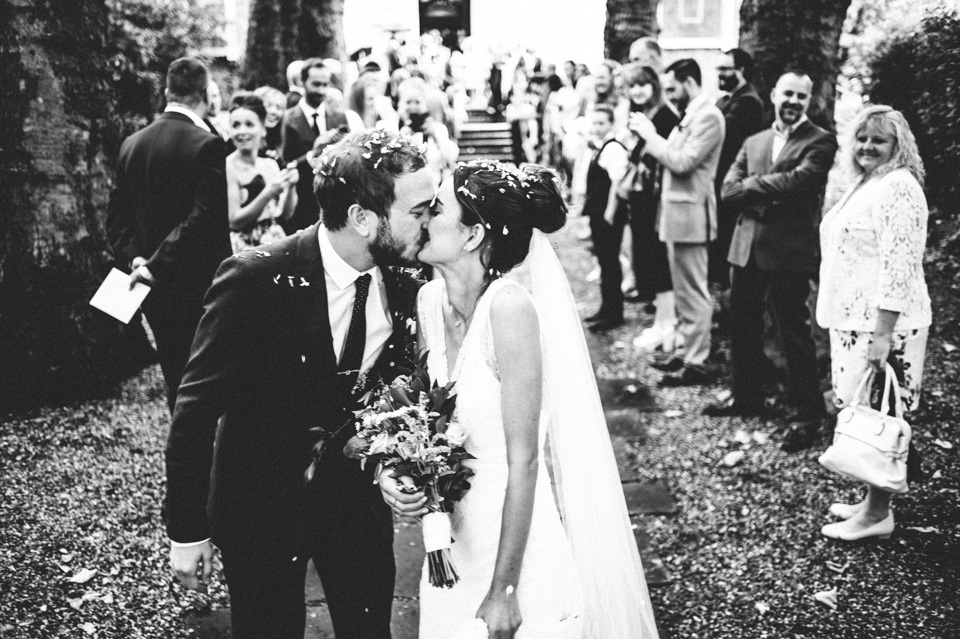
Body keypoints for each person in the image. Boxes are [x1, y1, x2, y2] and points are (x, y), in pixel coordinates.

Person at [165, 130, 436, 639]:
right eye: (420, 210)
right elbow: (195, 410)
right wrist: (186, 531)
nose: (431, 220)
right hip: (259, 505)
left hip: (356, 507)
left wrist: (394, 459)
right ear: (362, 218)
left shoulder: (407, 283)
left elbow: (391, 389)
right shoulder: (253, 280)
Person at [381, 160, 659, 639]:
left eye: (437, 207)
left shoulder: (508, 310)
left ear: (472, 236)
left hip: (513, 544)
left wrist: (504, 588)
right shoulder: (428, 301)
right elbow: (424, 415)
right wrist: (401, 471)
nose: (423, 216)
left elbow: (525, 461)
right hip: (451, 542)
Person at [706, 69, 838, 453]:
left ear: (809, 100)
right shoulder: (754, 140)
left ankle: (806, 414)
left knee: (792, 333)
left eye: (801, 95)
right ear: (774, 95)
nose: (793, 101)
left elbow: (802, 183)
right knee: (742, 324)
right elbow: (727, 190)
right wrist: (763, 188)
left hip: (788, 252)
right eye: (788, 94)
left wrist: (752, 186)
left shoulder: (822, 141)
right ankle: (746, 396)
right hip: (745, 246)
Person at [817, 105, 931, 540]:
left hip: (883, 327)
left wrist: (882, 334)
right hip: (854, 322)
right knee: (864, 413)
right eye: (861, 138)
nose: (867, 146)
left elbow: (900, 266)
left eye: (878, 140)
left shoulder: (898, 187)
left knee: (880, 415)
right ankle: (871, 501)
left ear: (897, 146)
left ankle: (878, 514)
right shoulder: (869, 181)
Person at [105, 57, 229, 414]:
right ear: (207, 94)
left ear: (165, 93)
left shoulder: (132, 143)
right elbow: (204, 218)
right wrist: (155, 264)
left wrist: (138, 261)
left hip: (151, 289)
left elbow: (116, 217)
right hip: (198, 283)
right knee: (201, 382)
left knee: (176, 375)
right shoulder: (206, 144)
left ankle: (183, 459)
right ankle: (194, 462)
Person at [629, 59, 725, 386]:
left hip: (693, 217)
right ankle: (687, 352)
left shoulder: (709, 117)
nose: (669, 95)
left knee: (695, 293)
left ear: (689, 81)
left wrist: (650, 135)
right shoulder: (692, 115)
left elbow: (682, 161)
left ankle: (698, 361)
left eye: (672, 88)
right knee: (683, 293)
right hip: (677, 216)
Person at [620, 64, 681, 351]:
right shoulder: (643, 116)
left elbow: (665, 154)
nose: (637, 90)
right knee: (650, 258)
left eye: (643, 84)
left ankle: (667, 322)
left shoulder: (665, 115)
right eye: (632, 86)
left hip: (658, 198)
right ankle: (661, 320)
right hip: (643, 199)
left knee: (660, 260)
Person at [711, 48, 765, 287]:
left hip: (732, 182)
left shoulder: (748, 101)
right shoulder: (724, 100)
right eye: (719, 69)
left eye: (726, 69)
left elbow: (723, 135)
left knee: (725, 241)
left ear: (741, 70)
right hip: (717, 179)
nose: (720, 74)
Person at [280, 58, 351, 234]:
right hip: (302, 206)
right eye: (316, 84)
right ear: (302, 82)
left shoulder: (339, 118)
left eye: (325, 84)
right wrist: (312, 155)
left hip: (334, 205)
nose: (321, 90)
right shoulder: (288, 119)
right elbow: (285, 164)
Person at [225, 93, 298, 252]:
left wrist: (291, 187)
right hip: (245, 248)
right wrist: (268, 192)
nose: (242, 131)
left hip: (274, 242)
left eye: (249, 124)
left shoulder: (270, 165)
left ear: (263, 129)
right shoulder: (228, 166)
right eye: (236, 125)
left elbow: (286, 214)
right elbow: (234, 221)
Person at [581, 104, 630, 333]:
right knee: (603, 261)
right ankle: (606, 307)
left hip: (608, 215)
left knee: (610, 262)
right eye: (595, 123)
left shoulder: (613, 149)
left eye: (602, 123)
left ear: (611, 124)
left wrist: (610, 212)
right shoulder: (598, 147)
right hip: (598, 213)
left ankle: (614, 313)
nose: (597, 128)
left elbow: (617, 182)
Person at [396, 77, 459, 182]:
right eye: (408, 102)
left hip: (432, 185)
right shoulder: (392, 127)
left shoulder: (437, 128)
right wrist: (401, 138)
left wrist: (435, 137)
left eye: (417, 102)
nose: (413, 107)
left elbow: (452, 157)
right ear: (400, 104)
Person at [253, 85, 286, 159]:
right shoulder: (245, 141)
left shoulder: (279, 140)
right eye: (268, 105)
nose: (274, 111)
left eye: (279, 107)